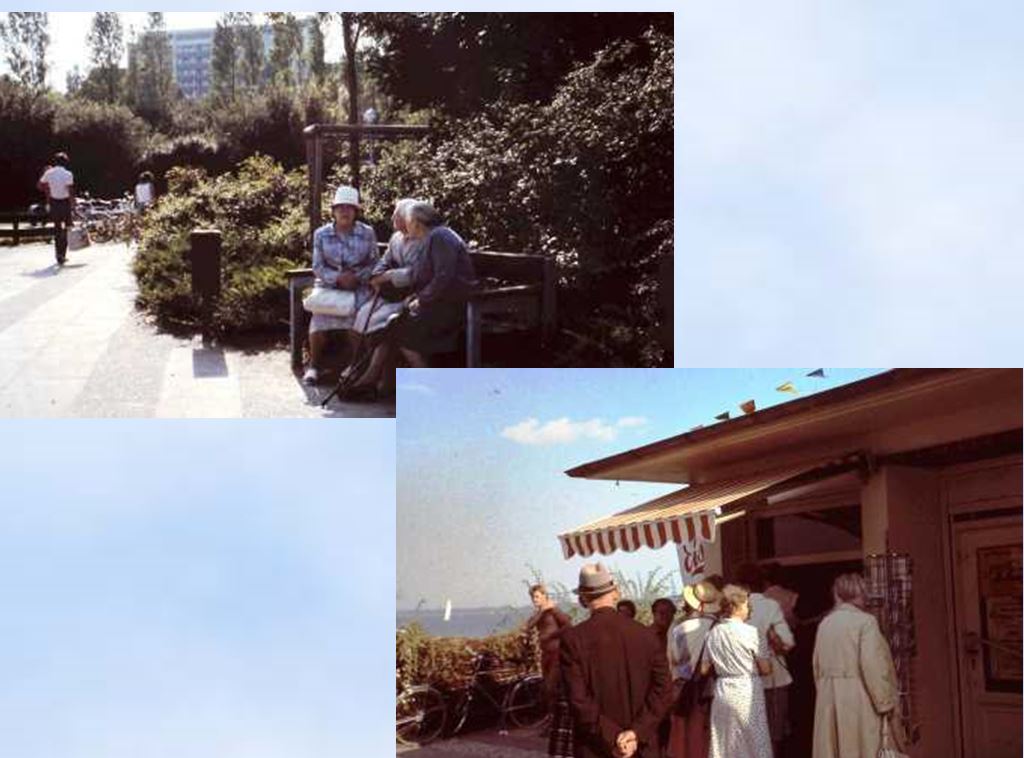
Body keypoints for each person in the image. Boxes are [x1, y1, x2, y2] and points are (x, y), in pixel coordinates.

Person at [561, 563, 673, 758]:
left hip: (596, 746)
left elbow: (578, 701)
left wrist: (613, 737)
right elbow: (663, 690)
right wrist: (635, 733)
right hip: (642, 747)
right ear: (615, 593)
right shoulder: (646, 635)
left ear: (583, 599)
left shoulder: (572, 639)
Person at [812, 573, 905, 758]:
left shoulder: (825, 624)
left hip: (828, 699)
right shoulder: (865, 622)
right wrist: (885, 703)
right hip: (860, 697)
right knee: (863, 749)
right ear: (860, 593)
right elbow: (873, 666)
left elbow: (816, 665)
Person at [303, 185, 378, 385]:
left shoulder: (367, 233)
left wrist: (357, 277)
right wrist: (337, 278)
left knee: (358, 315)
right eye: (340, 207)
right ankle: (314, 366)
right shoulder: (321, 234)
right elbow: (317, 266)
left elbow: (374, 262)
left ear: (356, 211)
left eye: (349, 208)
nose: (344, 212)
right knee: (319, 317)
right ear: (333, 211)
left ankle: (353, 366)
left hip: (358, 286)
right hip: (329, 285)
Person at [700, 584, 773, 758]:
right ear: (736, 606)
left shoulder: (712, 633)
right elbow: (765, 669)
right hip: (747, 688)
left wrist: (723, 666)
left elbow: (704, 669)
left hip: (723, 690)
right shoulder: (752, 633)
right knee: (754, 739)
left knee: (724, 741)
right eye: (746, 605)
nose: (749, 608)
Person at [735, 563, 795, 757]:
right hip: (773, 680)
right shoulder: (770, 606)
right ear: (763, 583)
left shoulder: (733, 610)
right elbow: (787, 643)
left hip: (744, 681)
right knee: (773, 737)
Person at [667, 581, 720, 758]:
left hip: (682, 687)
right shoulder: (718, 627)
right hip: (710, 688)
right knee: (707, 737)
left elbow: (672, 659)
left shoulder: (678, 628)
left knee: (683, 738)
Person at [525, 584, 572, 710]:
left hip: (556, 652)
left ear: (545, 596)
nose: (534, 600)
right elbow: (529, 625)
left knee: (551, 686)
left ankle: (554, 717)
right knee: (547, 685)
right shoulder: (540, 613)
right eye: (533, 597)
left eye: (537, 597)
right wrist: (542, 611)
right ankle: (551, 717)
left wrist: (553, 635)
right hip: (545, 653)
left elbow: (568, 624)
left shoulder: (553, 610)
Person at [37, 152, 75, 265]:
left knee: (57, 229)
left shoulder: (49, 173)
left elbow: (39, 185)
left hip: (54, 202)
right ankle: (63, 254)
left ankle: (58, 254)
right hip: (65, 202)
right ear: (65, 162)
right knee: (67, 228)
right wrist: (73, 204)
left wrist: (48, 189)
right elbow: (70, 190)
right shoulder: (68, 174)